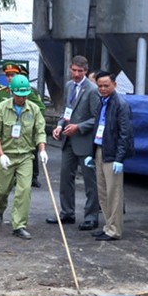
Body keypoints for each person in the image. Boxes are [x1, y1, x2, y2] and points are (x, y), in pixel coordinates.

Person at [0, 75, 47, 240]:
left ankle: (19, 225)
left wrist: (42, 150)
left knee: (24, 190)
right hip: (6, 154)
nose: (22, 98)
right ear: (11, 92)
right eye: (19, 94)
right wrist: (1, 155)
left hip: (25, 156)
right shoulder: (1, 109)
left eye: (24, 94)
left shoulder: (34, 110)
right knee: (2, 190)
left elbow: (40, 131)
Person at [48, 56, 100, 230]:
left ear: (86, 71)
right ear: (70, 69)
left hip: (84, 141)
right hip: (68, 140)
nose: (76, 74)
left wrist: (78, 127)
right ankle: (67, 212)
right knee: (65, 178)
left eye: (80, 71)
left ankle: (91, 216)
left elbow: (97, 118)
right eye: (74, 70)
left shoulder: (92, 90)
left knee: (89, 180)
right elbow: (66, 111)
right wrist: (59, 125)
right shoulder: (69, 86)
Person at [85, 71, 134, 241]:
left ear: (115, 84)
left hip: (112, 153)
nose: (103, 88)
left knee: (114, 193)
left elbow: (125, 134)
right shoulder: (102, 102)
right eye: (100, 86)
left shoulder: (120, 104)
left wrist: (119, 158)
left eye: (106, 85)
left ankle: (115, 229)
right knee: (103, 192)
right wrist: (92, 153)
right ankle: (108, 225)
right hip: (101, 149)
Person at [0, 63, 45, 187]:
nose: (10, 78)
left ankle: (32, 177)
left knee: (28, 155)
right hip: (8, 131)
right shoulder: (2, 92)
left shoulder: (27, 92)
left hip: (25, 129)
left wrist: (29, 121)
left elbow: (39, 108)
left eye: (12, 75)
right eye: (7, 75)